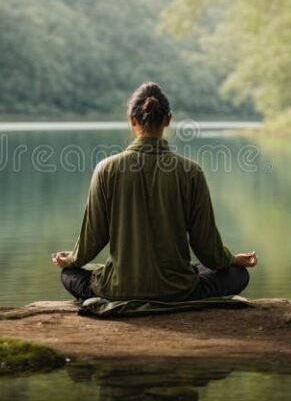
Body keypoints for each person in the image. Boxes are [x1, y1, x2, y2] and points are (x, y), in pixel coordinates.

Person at [52, 81, 258, 303]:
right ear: (168, 119)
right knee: (236, 274)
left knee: (70, 275)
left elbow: (92, 241)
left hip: (118, 289)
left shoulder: (106, 169)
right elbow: (207, 249)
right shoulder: (190, 171)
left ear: (131, 120)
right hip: (177, 290)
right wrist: (232, 259)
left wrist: (71, 260)